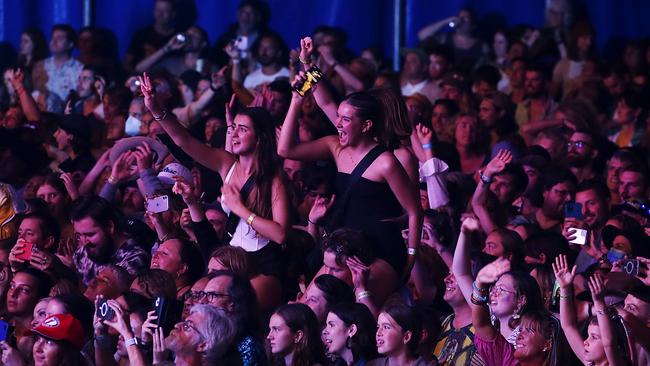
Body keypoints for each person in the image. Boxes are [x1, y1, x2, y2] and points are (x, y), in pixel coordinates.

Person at [139, 72, 290, 302]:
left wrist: (240, 209)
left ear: (259, 138)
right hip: (229, 259)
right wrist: (155, 109)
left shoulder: (273, 180)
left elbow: (280, 234)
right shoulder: (226, 162)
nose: (235, 134)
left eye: (243, 129)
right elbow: (184, 141)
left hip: (262, 265)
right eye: (234, 127)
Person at [278, 47, 422, 279]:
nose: (340, 122)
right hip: (343, 240)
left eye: (347, 118)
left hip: (378, 244)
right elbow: (324, 102)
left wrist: (411, 257)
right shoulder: (343, 142)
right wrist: (307, 65)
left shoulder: (397, 157)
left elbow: (411, 210)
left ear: (370, 121)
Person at [70, 195, 150, 285]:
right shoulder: (83, 253)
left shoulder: (135, 259)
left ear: (110, 227)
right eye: (79, 235)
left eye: (90, 235)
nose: (84, 242)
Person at [32, 24, 84, 102]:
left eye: (59, 38)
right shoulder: (40, 66)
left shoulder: (80, 69)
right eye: (52, 38)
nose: (54, 41)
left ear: (70, 44)